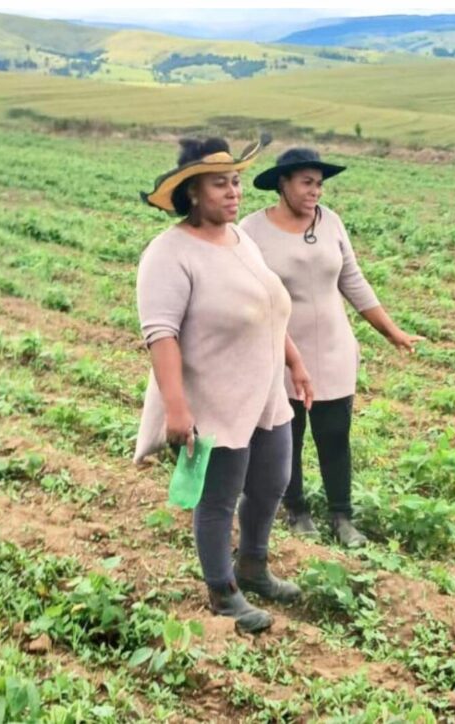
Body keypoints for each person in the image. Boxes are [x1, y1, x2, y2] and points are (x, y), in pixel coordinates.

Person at [134, 137, 315, 633]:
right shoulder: (169, 253)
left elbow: (270, 308)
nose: (234, 192)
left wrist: (295, 363)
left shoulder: (242, 240)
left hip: (264, 393)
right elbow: (161, 335)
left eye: (235, 181)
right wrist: (177, 408)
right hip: (211, 399)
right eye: (220, 184)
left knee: (272, 481)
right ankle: (223, 591)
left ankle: (253, 565)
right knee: (218, 497)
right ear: (192, 192)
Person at [240, 147, 420, 547]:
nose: (315, 191)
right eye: (307, 182)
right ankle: (297, 509)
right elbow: (245, 293)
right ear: (282, 184)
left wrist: (392, 332)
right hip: (283, 350)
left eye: (319, 184)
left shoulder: (331, 223)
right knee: (289, 436)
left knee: (335, 434)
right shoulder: (252, 230)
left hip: (334, 347)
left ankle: (342, 516)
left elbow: (353, 280)